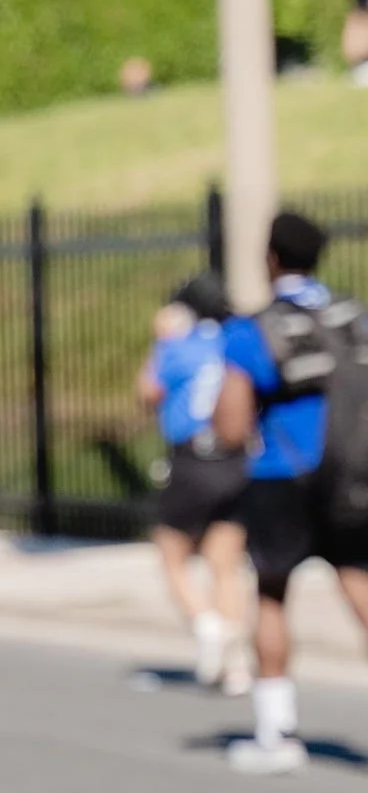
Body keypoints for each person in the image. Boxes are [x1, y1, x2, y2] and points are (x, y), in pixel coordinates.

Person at [213, 207, 368, 770]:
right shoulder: (354, 316)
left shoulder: (251, 330)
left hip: (284, 475)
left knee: (273, 595)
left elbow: (230, 427)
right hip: (355, 475)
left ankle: (275, 736)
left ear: (271, 257)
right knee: (359, 583)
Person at [137, 269, 251, 691]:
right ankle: (237, 664)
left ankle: (207, 626)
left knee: (171, 552)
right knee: (227, 564)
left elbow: (148, 392)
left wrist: (160, 342)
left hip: (192, 460)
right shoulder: (235, 344)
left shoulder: (178, 346)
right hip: (236, 460)